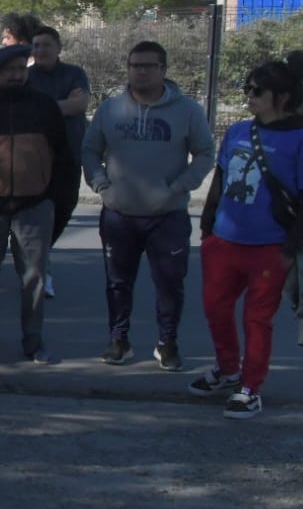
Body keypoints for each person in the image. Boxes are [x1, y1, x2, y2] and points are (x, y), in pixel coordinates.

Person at [191, 52, 303, 418]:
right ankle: (227, 370)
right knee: (215, 309)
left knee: (257, 320)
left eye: (257, 90)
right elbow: (220, 178)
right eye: (246, 87)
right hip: (224, 242)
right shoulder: (237, 131)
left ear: (282, 97)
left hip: (270, 249)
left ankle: (250, 387)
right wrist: (208, 227)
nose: (249, 94)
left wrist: (291, 248)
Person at [82, 41, 215, 370]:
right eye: (134, 65)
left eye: (148, 66)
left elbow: (204, 154)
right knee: (117, 282)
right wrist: (102, 186)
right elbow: (89, 151)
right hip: (119, 214)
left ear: (163, 70)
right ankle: (119, 340)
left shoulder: (187, 110)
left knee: (170, 283)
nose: (140, 71)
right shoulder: (111, 109)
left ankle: (167, 343)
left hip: (166, 216)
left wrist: (179, 187)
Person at [0, 44, 73, 365]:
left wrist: (55, 200)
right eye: (10, 69)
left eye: (22, 68)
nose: (17, 74)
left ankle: (33, 340)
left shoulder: (44, 107)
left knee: (34, 276)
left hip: (34, 204)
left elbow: (63, 155)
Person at [25, 25, 92, 298]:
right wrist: (60, 105)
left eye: (46, 45)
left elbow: (79, 106)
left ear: (58, 48)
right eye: (36, 45)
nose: (41, 50)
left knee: (65, 207)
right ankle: (40, 268)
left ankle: (40, 256)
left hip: (69, 153)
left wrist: (44, 107)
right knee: (38, 212)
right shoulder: (27, 77)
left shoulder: (75, 73)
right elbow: (26, 112)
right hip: (36, 158)